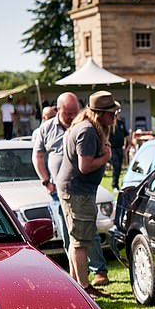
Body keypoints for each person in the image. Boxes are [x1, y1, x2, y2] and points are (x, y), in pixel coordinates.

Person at [32, 92, 109, 287]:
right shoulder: (51, 129)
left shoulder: (77, 127)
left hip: (72, 188)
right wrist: (46, 181)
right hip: (65, 189)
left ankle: (93, 273)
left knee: (83, 235)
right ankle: (81, 284)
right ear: (59, 110)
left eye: (76, 112)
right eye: (68, 113)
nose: (72, 116)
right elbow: (38, 156)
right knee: (74, 237)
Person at [56, 91, 116, 297]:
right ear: (100, 113)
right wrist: (106, 157)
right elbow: (85, 165)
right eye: (112, 113)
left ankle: (78, 286)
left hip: (77, 190)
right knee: (80, 242)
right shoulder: (88, 131)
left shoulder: (87, 127)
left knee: (77, 240)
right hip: (77, 191)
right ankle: (84, 287)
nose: (115, 117)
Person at [110, 114, 128, 190]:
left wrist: (129, 145)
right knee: (116, 166)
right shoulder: (110, 123)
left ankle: (116, 184)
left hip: (120, 148)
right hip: (112, 148)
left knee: (119, 167)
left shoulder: (121, 123)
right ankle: (114, 185)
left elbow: (126, 135)